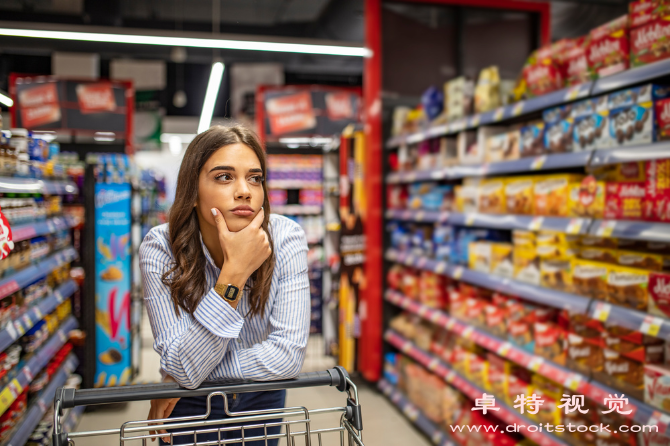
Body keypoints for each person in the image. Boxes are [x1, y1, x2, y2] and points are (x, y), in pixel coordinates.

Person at [139, 125, 310, 445]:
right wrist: (234, 272)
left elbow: (287, 357)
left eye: (255, 178)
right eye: (224, 177)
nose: (244, 190)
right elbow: (184, 369)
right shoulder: (162, 247)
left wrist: (183, 373)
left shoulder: (286, 238)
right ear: (192, 190)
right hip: (189, 405)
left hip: (261, 400)